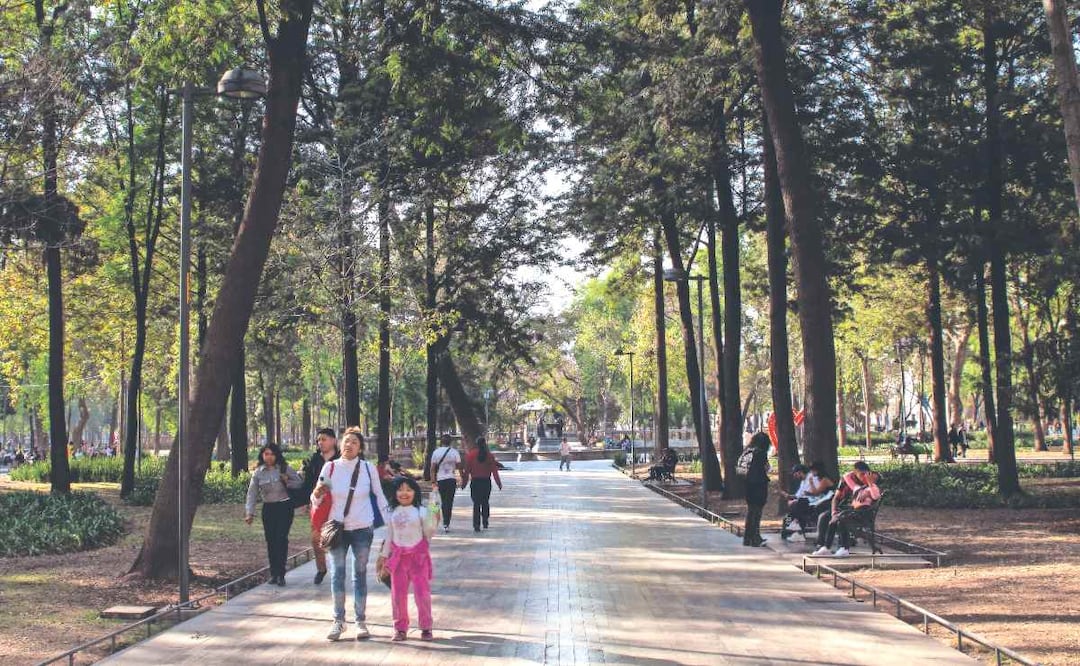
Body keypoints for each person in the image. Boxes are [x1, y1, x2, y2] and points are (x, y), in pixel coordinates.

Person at [311, 427, 389, 641]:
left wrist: (390, 523)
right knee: (337, 574)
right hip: (337, 528)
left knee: (359, 574)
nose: (349, 445)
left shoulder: (368, 468)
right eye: (346, 441)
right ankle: (338, 621)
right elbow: (316, 499)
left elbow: (379, 495)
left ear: (360, 448)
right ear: (340, 444)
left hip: (363, 528)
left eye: (354, 442)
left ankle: (360, 621)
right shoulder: (330, 467)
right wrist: (316, 494)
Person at [380, 476, 439, 642]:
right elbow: (389, 536)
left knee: (422, 594)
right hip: (398, 559)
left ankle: (426, 627)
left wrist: (434, 511)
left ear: (415, 492)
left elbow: (430, 531)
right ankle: (400, 628)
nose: (404, 493)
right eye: (400, 490)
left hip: (418, 558)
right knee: (398, 596)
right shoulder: (392, 512)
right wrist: (384, 556)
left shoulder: (421, 511)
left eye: (408, 489)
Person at [244, 443, 303, 586]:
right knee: (271, 540)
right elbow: (252, 494)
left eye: (272, 454)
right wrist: (249, 513)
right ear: (262, 455)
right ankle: (274, 573)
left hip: (284, 507)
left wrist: (287, 481)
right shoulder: (258, 473)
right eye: (266, 454)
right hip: (268, 508)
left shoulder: (284, 468)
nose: (269, 457)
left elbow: (300, 483)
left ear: (276, 455)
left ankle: (281, 574)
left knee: (281, 539)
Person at [812, 461, 881, 557]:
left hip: (861, 512)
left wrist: (869, 487)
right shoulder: (857, 487)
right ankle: (825, 547)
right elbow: (839, 494)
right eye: (862, 474)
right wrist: (834, 512)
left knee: (841, 519)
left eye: (867, 475)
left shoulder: (872, 487)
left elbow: (876, 495)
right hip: (847, 509)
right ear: (855, 472)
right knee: (829, 519)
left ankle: (844, 547)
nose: (864, 477)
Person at [302, 428, 339, 584]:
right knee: (316, 539)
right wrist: (307, 501)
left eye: (324, 439)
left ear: (333, 440)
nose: (320, 443)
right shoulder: (315, 460)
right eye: (318, 440)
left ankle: (338, 570)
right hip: (318, 505)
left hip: (337, 504)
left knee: (337, 540)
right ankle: (321, 568)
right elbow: (308, 483)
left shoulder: (341, 460)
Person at [460, 436, 503, 532]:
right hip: (486, 482)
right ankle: (485, 521)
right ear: (485, 444)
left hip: (475, 482)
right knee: (485, 502)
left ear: (477, 444)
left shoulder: (471, 455)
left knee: (476, 504)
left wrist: (464, 484)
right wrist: (498, 483)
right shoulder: (490, 456)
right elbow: (494, 471)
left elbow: (467, 471)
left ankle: (476, 525)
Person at [741, 432, 771, 547]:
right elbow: (767, 467)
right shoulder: (761, 453)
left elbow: (740, 469)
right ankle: (755, 538)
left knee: (751, 511)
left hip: (748, 484)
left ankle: (747, 538)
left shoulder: (747, 452)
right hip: (759, 484)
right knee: (757, 512)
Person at [429, 434, 461, 532]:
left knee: (443, 500)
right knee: (449, 501)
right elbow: (459, 466)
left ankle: (445, 523)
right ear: (450, 442)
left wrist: (433, 481)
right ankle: (447, 522)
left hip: (440, 479)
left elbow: (432, 469)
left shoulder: (436, 452)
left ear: (441, 442)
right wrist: (461, 478)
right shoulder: (454, 452)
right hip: (451, 479)